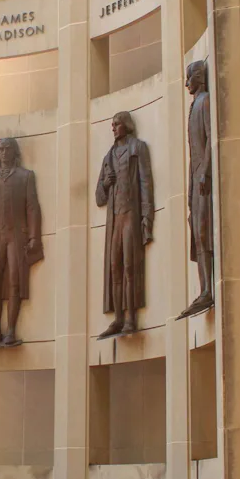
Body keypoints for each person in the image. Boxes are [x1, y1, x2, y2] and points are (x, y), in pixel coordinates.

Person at [0, 137, 43, 349]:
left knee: (15, 281)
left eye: (8, 148)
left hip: (17, 237)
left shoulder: (26, 176)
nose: (4, 152)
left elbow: (33, 208)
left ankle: (11, 330)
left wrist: (33, 237)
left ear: (15, 152)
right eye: (1, 149)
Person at [95, 111, 154, 338]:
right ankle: (118, 317)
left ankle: (131, 318)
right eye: (112, 124)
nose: (113, 128)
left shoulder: (137, 149)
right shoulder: (108, 157)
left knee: (130, 267)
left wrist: (147, 218)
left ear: (126, 125)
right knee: (115, 268)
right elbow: (99, 197)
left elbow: (146, 184)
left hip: (131, 214)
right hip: (115, 219)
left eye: (117, 124)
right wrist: (106, 184)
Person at [178, 60, 214, 319]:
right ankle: (204, 290)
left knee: (204, 231)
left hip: (203, 176)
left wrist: (206, 171)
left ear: (198, 78)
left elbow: (211, 136)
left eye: (188, 77)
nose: (186, 82)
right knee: (198, 234)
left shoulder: (205, 102)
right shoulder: (194, 105)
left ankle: (208, 290)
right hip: (195, 178)